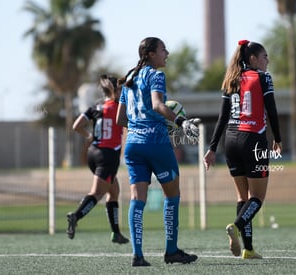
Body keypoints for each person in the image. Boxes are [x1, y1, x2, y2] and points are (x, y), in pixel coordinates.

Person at [116, 37, 199, 267]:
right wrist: (181, 122)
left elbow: (120, 119)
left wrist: (139, 128)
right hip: (156, 144)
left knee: (137, 199)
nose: (167, 53)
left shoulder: (129, 79)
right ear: (151, 54)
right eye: (163, 49)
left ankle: (137, 255)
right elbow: (158, 106)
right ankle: (171, 251)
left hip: (132, 145)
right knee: (172, 195)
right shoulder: (156, 75)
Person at [203, 40, 282, 259]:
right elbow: (272, 110)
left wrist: (211, 149)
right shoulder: (263, 78)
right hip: (253, 141)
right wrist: (278, 138)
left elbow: (222, 118)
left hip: (231, 140)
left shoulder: (231, 79)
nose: (268, 60)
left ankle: (248, 249)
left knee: (243, 197)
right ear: (253, 59)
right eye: (265, 56)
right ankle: (236, 227)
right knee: (257, 198)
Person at [66, 74, 129, 245]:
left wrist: (88, 136)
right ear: (113, 90)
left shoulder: (96, 106)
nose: (123, 90)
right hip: (108, 156)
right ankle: (76, 216)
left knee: (113, 190)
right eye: (120, 88)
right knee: (97, 192)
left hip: (93, 153)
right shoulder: (119, 107)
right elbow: (129, 123)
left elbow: (76, 125)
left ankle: (116, 233)